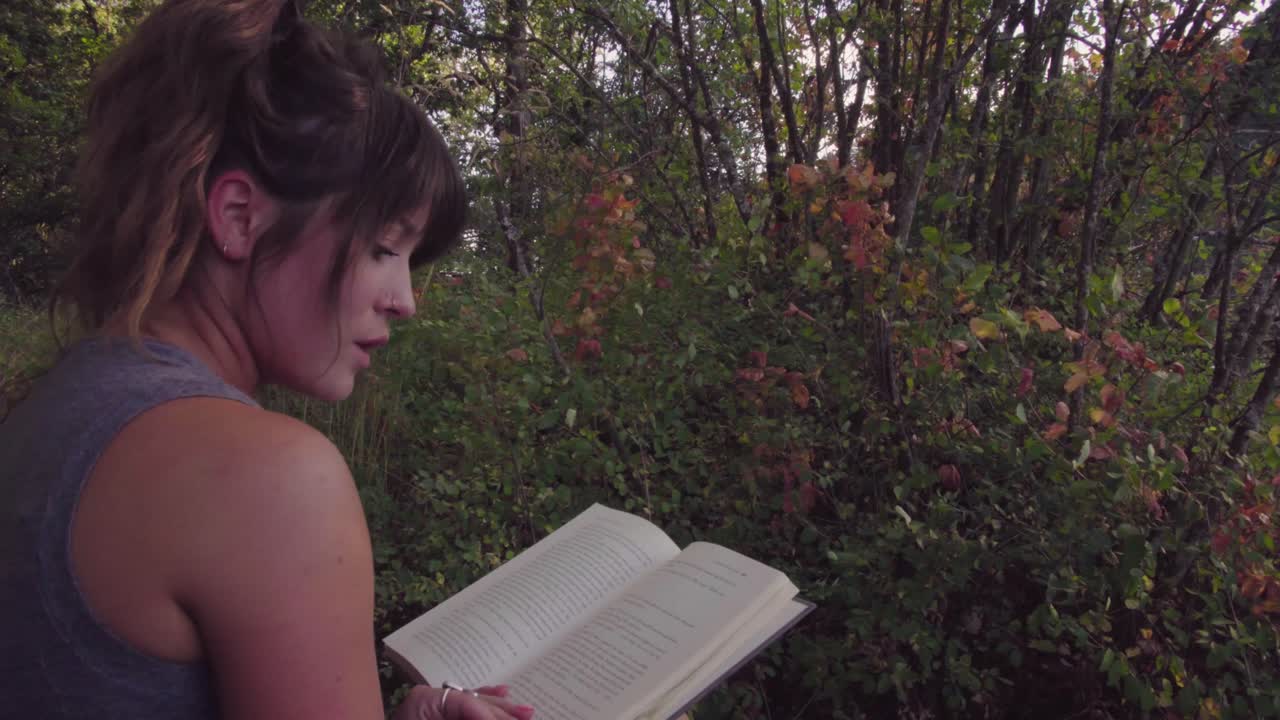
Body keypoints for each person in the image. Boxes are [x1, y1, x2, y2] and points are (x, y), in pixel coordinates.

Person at [0, 1, 534, 719]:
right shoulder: (268, 480)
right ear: (239, 217)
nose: (405, 299)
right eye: (382, 247)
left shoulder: (53, 407)